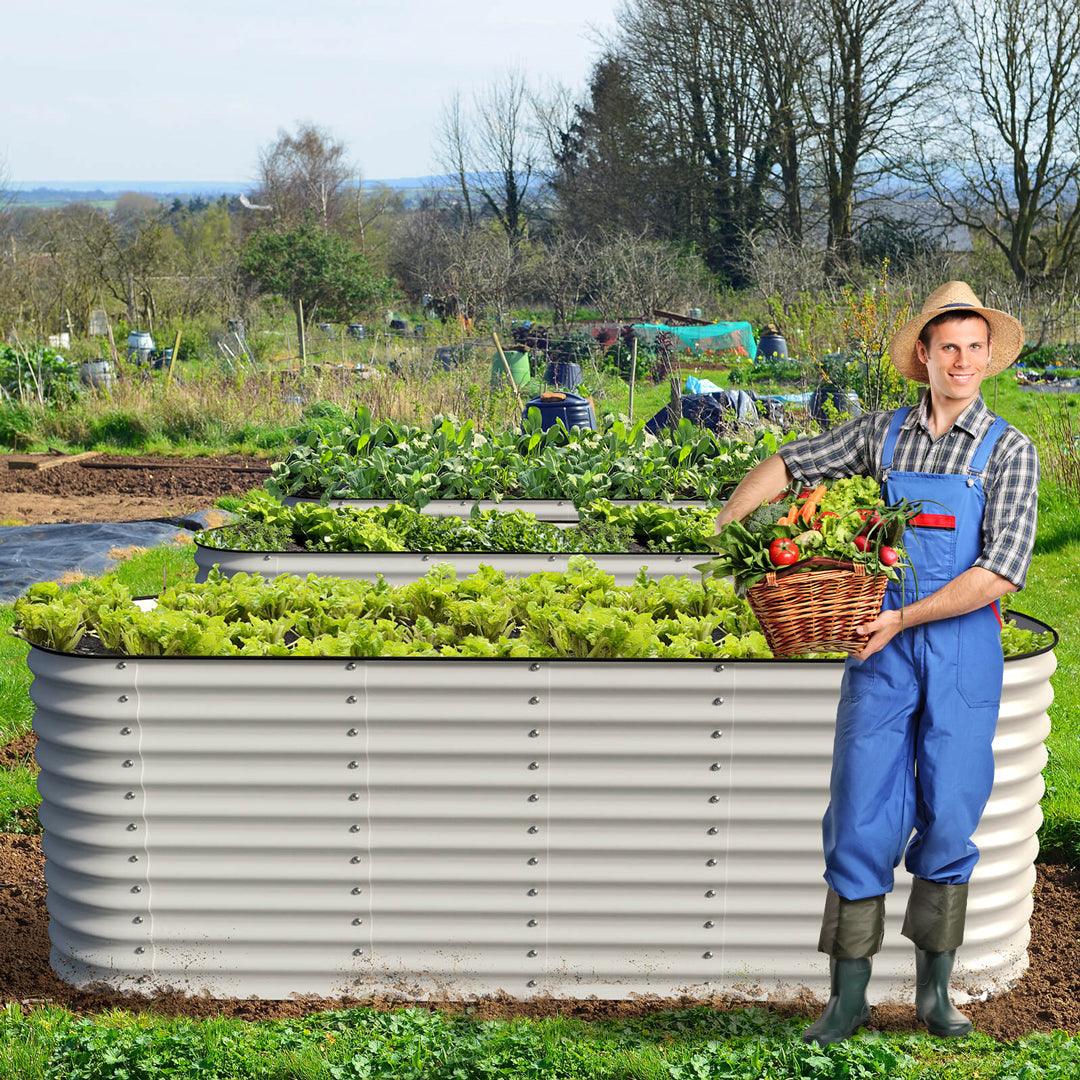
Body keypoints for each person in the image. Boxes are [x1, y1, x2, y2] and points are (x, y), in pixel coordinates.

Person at [715, 282, 1039, 1044]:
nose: (960, 361)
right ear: (923, 356)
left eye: (973, 348)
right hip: (879, 650)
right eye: (947, 347)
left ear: (988, 358)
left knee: (952, 810)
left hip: (959, 648)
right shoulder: (882, 435)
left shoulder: (1009, 452)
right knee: (860, 811)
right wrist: (732, 523)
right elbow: (790, 461)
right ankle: (847, 998)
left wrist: (904, 616)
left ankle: (935, 995)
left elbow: (1000, 570)